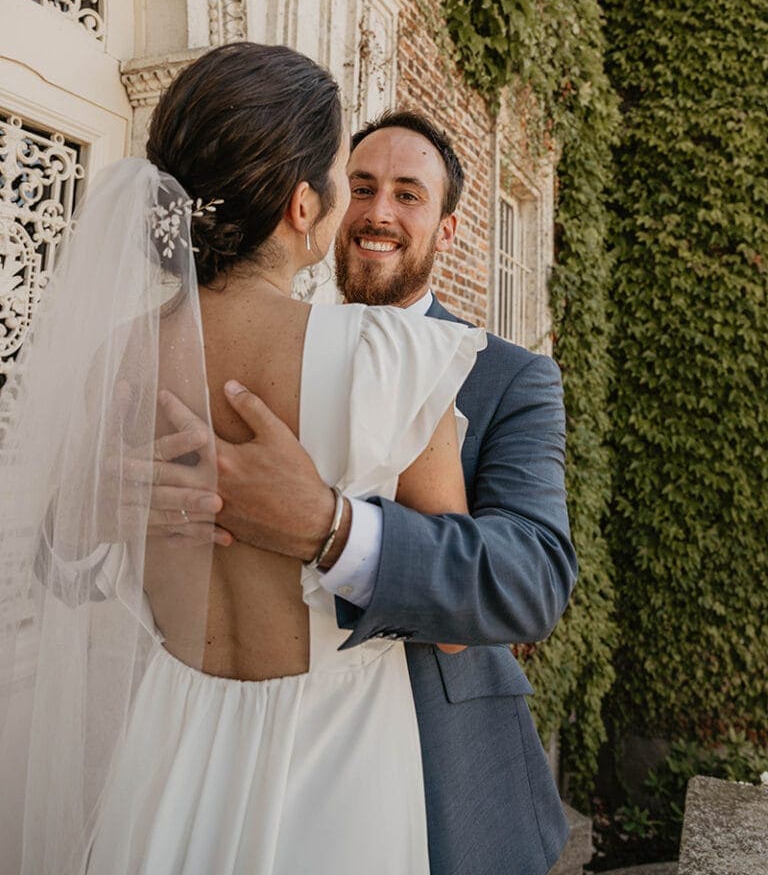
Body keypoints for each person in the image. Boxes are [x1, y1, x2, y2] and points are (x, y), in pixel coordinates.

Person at [0, 44, 485, 875]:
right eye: (342, 174)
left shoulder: (118, 359)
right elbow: (457, 627)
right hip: (332, 759)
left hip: (164, 745)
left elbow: (69, 551)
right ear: (303, 206)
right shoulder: (391, 355)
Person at [160, 111, 578, 875]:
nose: (378, 211)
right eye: (360, 187)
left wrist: (335, 529)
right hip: (241, 750)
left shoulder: (511, 376)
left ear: (448, 232)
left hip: (440, 763)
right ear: (318, 204)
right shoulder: (243, 343)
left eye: (408, 195)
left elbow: (532, 578)